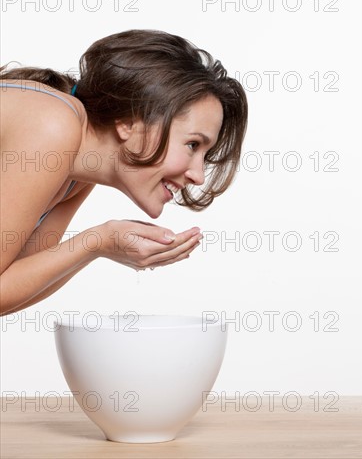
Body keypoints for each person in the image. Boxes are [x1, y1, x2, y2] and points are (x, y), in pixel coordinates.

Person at [0, 29, 248, 316]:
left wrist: (99, 246)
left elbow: (11, 286)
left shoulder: (78, 176)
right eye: (192, 144)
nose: (198, 175)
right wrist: (97, 241)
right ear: (129, 121)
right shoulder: (52, 125)